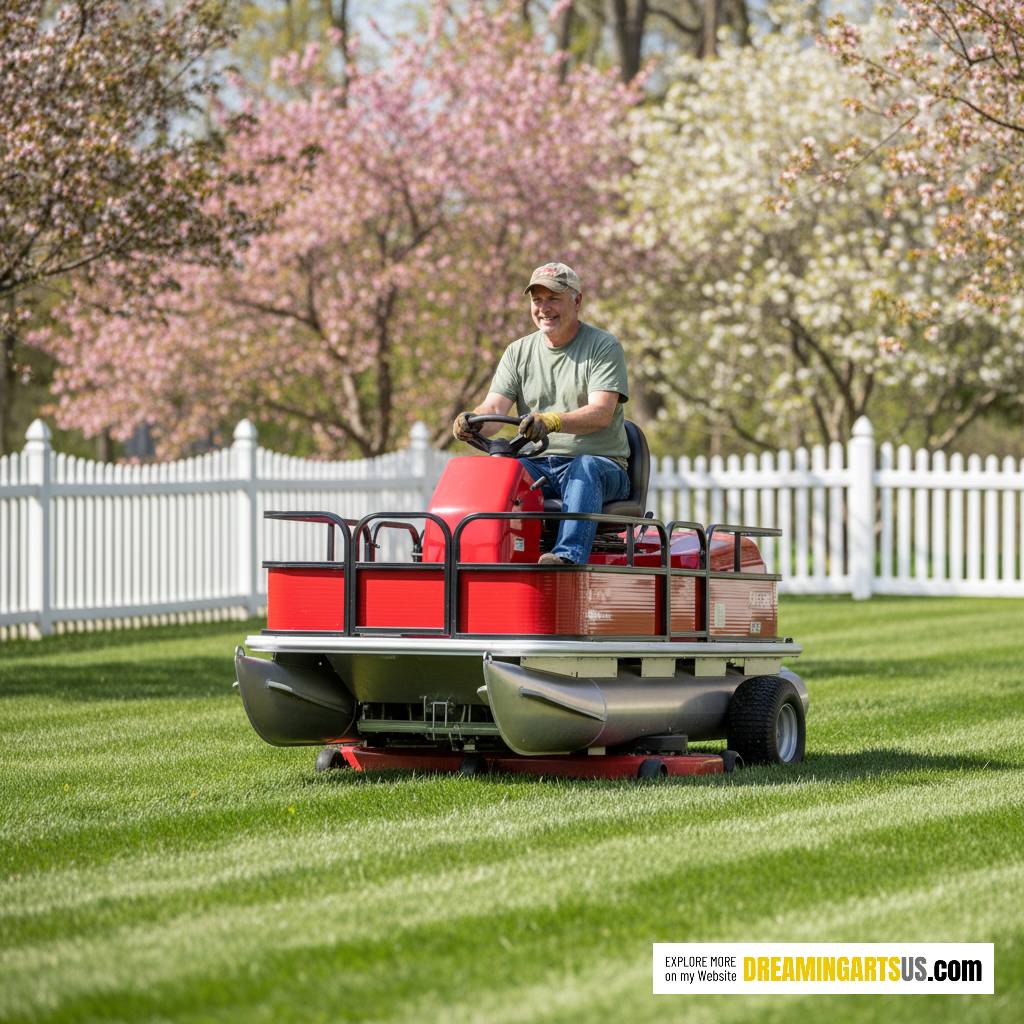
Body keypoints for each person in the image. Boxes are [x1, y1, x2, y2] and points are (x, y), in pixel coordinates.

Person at [453, 262, 630, 565]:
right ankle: (474, 558)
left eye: (553, 299)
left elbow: (601, 413)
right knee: (495, 472)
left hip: (602, 466)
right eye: (537, 300)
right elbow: (494, 409)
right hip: (539, 466)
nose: (544, 308)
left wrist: (553, 421)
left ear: (577, 301)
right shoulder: (518, 352)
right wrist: (472, 421)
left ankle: (567, 557)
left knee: (584, 468)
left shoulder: (603, 347)